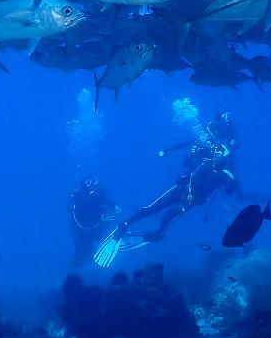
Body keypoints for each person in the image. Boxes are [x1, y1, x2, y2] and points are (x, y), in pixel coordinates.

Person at [93, 112, 243, 267]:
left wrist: (230, 180)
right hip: (181, 188)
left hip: (196, 198)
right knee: (151, 208)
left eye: (222, 149)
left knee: (169, 214)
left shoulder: (226, 168)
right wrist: (187, 154)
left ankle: (158, 234)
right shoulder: (204, 152)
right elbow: (187, 161)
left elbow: (230, 191)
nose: (218, 151)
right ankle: (124, 224)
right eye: (217, 148)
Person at [68, 177, 116, 267]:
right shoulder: (81, 198)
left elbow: (105, 201)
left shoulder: (98, 194)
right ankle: (80, 260)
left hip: (94, 225)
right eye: (88, 183)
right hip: (82, 226)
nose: (92, 185)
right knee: (82, 243)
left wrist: (115, 205)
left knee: (90, 242)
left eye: (94, 182)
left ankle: (86, 258)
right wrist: (101, 220)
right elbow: (83, 217)